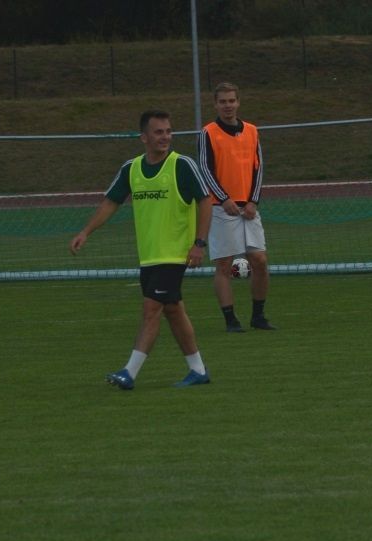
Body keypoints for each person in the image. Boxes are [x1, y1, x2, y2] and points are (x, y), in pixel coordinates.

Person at [70, 109, 214, 390]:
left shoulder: (182, 165)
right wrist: (85, 232)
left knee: (151, 309)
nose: (165, 137)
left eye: (168, 132)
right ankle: (198, 370)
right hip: (149, 256)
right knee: (173, 310)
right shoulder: (131, 169)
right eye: (158, 132)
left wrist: (199, 243)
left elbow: (205, 201)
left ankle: (129, 372)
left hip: (174, 255)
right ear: (144, 137)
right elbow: (111, 202)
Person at [198, 81, 276, 332]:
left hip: (248, 207)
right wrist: (224, 199)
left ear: (238, 102)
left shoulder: (252, 131)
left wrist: (253, 200)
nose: (228, 105)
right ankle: (231, 320)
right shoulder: (208, 132)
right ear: (215, 104)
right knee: (224, 264)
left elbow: (258, 168)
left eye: (231, 100)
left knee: (260, 260)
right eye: (223, 101)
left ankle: (258, 316)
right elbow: (205, 169)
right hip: (222, 208)